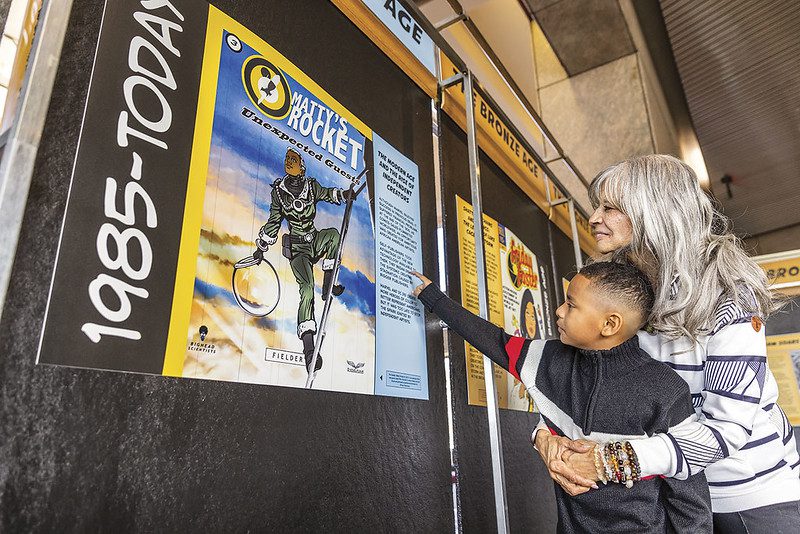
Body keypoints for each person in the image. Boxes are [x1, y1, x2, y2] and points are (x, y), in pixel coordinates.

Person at [533, 155, 800, 533]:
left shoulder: (728, 296)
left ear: (653, 211)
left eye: (610, 207)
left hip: (748, 496)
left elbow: (725, 431)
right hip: (666, 499)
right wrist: (545, 439)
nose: (594, 218)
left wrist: (608, 462)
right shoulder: (621, 289)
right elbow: (566, 378)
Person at [412, 262, 713, 533]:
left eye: (571, 305)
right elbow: (494, 340)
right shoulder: (547, 359)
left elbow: (688, 493)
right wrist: (435, 299)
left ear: (609, 325)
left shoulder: (665, 390)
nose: (559, 311)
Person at [254, 147, 347, 379]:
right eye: (293, 178)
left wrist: (345, 195)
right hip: (298, 250)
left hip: (314, 240)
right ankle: (309, 350)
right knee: (306, 290)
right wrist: (260, 248)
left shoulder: (311, 186)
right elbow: (274, 222)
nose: (297, 182)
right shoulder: (279, 193)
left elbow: (328, 194)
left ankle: (328, 286)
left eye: (298, 177)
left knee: (334, 236)